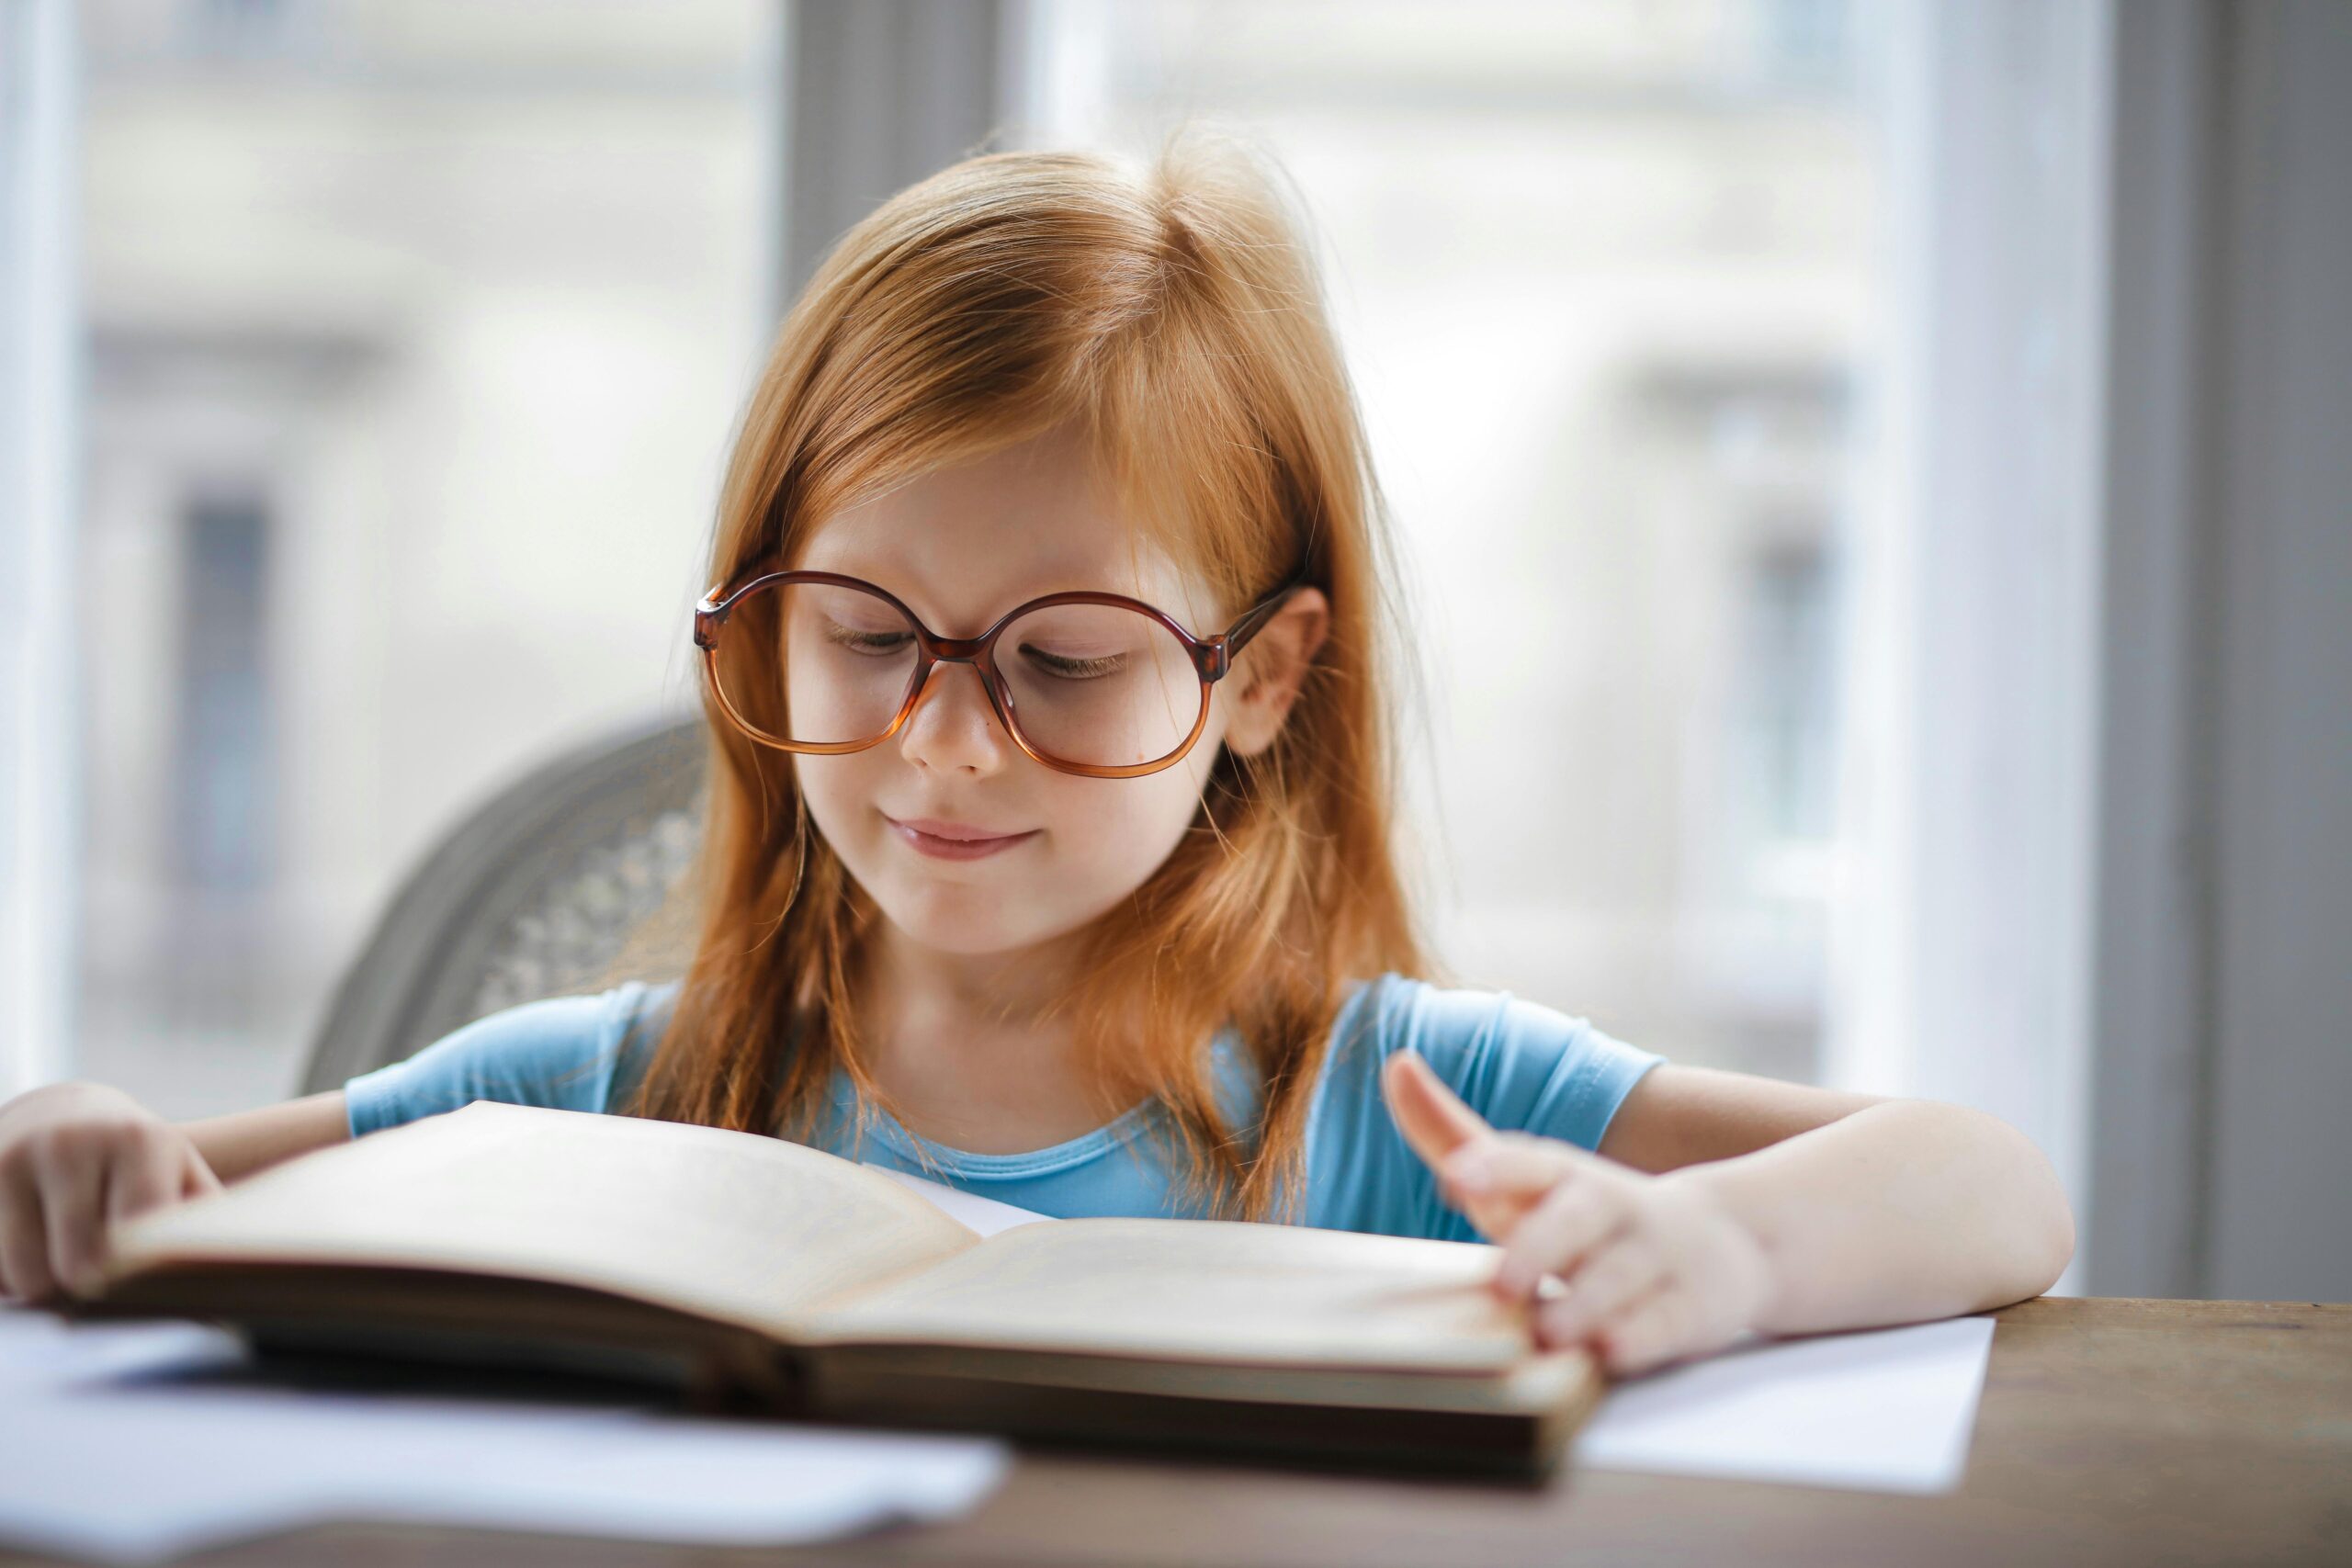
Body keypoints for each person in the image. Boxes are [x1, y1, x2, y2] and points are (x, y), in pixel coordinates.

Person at [0, 135, 2073, 1378]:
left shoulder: (1389, 1095)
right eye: (866, 634)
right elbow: (140, 1211)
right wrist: (70, 1133)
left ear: (1260, 678)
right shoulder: (604, 1088)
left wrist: (1725, 1250)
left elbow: (1988, 1186)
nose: (940, 738)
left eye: (1061, 663)